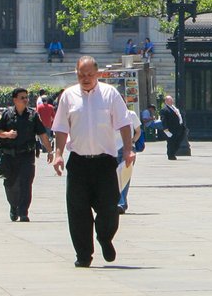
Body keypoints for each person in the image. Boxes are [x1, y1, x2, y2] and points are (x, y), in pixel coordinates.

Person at [51, 56, 136, 268]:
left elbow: (124, 123)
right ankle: (83, 255)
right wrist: (58, 153)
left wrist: (127, 150)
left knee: (109, 208)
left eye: (90, 75)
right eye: (81, 75)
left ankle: (105, 237)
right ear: (76, 73)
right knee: (77, 210)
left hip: (104, 162)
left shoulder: (110, 94)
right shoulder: (68, 96)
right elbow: (61, 127)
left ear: (98, 74)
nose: (86, 78)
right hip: (78, 162)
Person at [0, 87, 55, 222]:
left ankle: (23, 211)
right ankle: (13, 206)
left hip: (27, 155)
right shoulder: (6, 114)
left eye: (26, 97)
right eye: (22, 98)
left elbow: (42, 134)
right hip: (9, 155)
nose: (26, 100)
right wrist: (7, 135)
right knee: (10, 184)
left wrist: (50, 151)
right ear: (15, 100)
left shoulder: (33, 115)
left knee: (26, 183)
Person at [116, 109, 142, 214]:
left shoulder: (131, 114)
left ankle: (120, 203)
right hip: (112, 149)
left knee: (125, 176)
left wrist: (132, 141)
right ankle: (121, 202)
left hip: (128, 148)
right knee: (115, 177)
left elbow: (138, 131)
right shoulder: (108, 113)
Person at [160, 93, 186, 160]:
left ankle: (173, 153)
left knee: (178, 142)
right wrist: (166, 130)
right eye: (169, 100)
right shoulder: (164, 110)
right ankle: (170, 155)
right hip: (171, 129)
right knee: (171, 143)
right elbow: (164, 121)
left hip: (179, 128)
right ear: (166, 101)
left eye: (172, 100)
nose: (171, 101)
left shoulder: (174, 108)